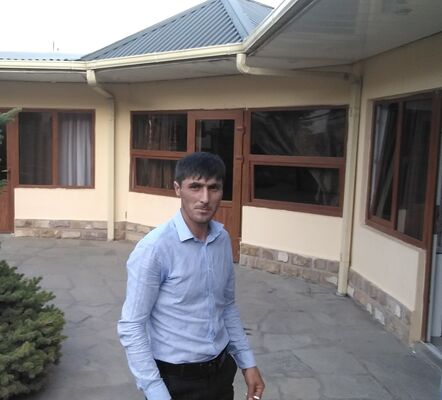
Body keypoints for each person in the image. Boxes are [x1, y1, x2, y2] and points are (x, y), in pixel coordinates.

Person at [118, 152, 265, 400]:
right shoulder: (155, 249)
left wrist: (247, 362)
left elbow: (226, 305)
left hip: (221, 374)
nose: (205, 198)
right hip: (175, 382)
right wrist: (156, 393)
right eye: (195, 187)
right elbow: (132, 325)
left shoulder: (222, 240)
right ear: (178, 189)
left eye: (213, 188)